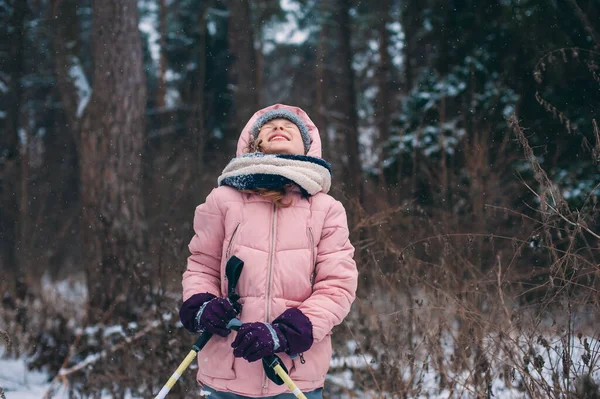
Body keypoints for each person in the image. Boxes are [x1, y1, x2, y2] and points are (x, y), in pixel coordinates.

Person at [179, 104, 358, 398]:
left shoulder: (327, 209)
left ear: (307, 145)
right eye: (268, 126)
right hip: (225, 374)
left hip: (293, 376)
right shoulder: (223, 199)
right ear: (252, 143)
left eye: (289, 127)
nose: (278, 128)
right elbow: (201, 266)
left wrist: (285, 333)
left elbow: (337, 285)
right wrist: (202, 306)